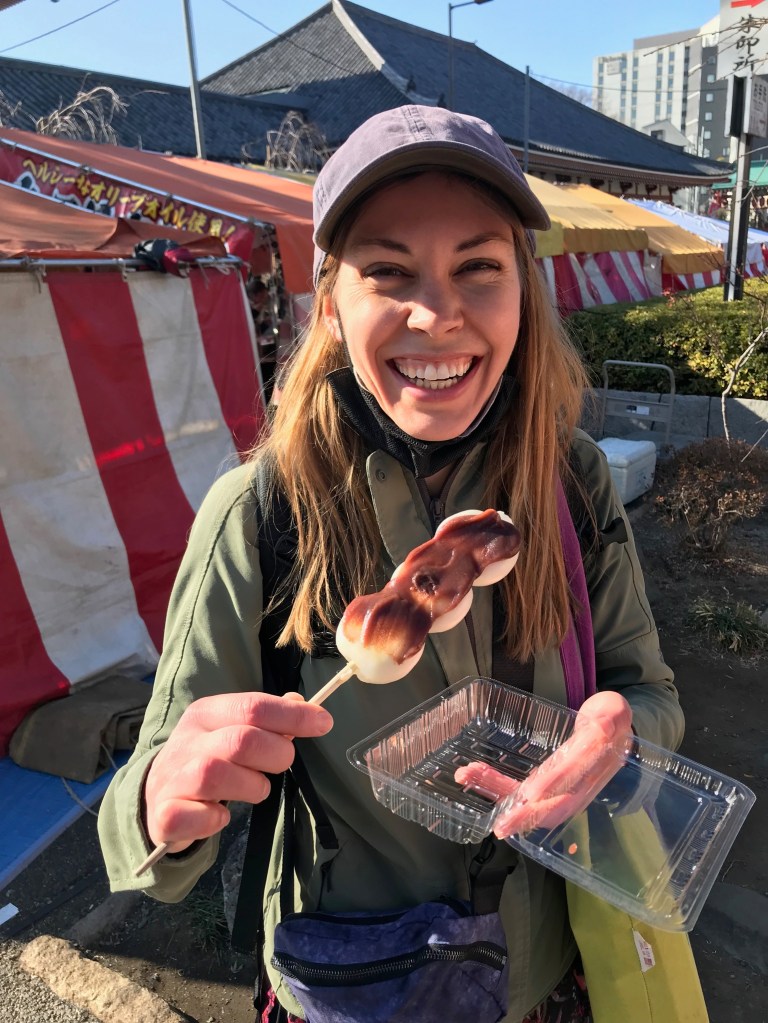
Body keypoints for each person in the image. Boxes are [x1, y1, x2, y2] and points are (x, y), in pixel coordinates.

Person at [98, 105, 695, 1023]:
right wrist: (159, 802)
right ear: (332, 304)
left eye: (478, 268)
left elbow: (648, 693)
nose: (437, 313)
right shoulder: (261, 513)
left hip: (552, 978)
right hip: (364, 987)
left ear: (523, 293)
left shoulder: (571, 480)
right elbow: (144, 825)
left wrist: (622, 737)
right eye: (387, 271)